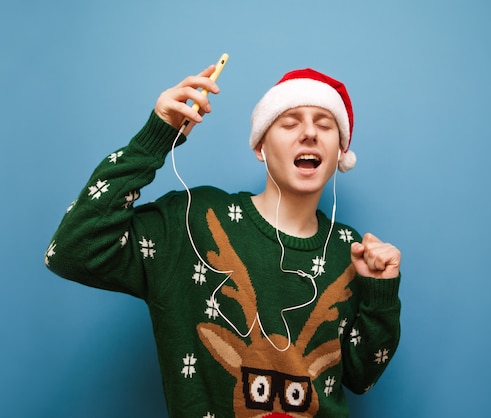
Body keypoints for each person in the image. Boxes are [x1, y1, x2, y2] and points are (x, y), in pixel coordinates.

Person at [45, 64, 402, 418]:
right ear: (260, 146)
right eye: (290, 123)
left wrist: (381, 295)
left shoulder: (348, 248)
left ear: (340, 151)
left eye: (325, 125)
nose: (309, 133)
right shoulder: (195, 221)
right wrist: (155, 137)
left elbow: (360, 378)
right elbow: (70, 251)